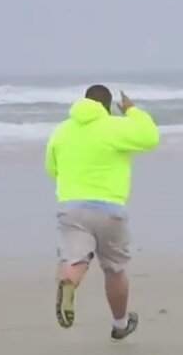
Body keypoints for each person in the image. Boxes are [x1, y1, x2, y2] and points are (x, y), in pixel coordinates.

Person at [44, 84, 159, 339]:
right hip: (109, 208)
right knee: (115, 269)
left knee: (75, 260)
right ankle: (120, 324)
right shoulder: (115, 127)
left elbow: (51, 169)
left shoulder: (62, 131)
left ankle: (69, 284)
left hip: (72, 207)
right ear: (108, 107)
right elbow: (150, 137)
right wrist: (132, 110)